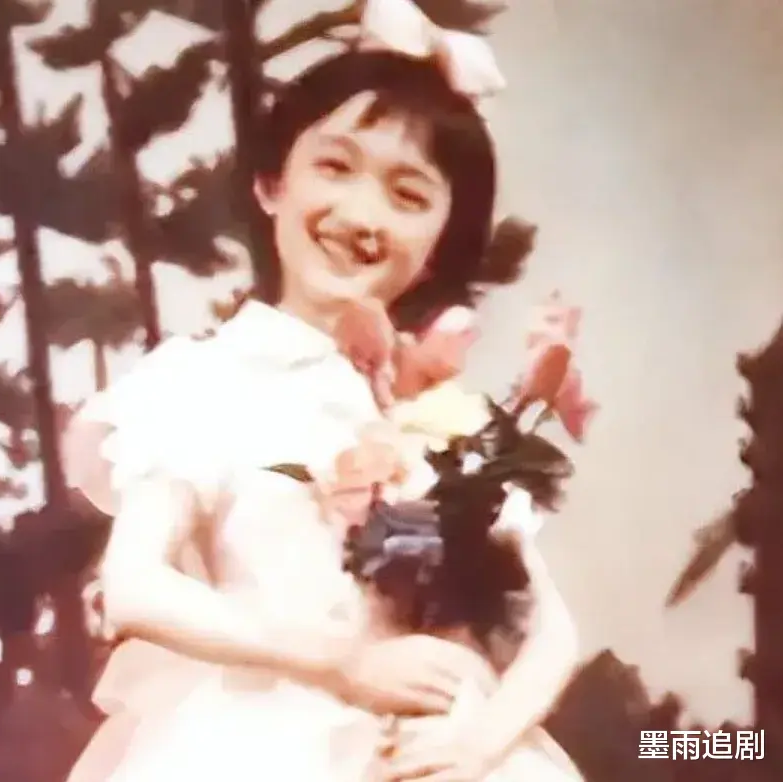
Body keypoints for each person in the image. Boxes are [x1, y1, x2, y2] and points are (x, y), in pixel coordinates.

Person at [64, 44, 582, 782]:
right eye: (335, 167)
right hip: (259, 747)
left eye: (408, 196)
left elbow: (549, 629)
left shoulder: (443, 416)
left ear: (439, 246)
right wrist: (341, 664)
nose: (362, 215)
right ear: (271, 183)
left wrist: (482, 742)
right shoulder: (200, 381)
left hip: (437, 753)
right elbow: (134, 587)